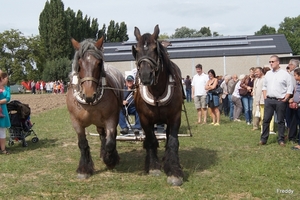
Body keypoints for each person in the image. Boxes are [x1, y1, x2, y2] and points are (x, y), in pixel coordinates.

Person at [259, 55, 293, 146]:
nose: (271, 63)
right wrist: (265, 97)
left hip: (280, 100)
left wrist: (285, 98)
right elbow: (264, 86)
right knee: (266, 120)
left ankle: (281, 139)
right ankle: (263, 139)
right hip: (269, 100)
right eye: (270, 62)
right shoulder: (268, 74)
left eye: (272, 61)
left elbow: (290, 87)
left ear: (278, 62)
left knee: (280, 121)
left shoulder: (285, 74)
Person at [287, 59, 299, 142]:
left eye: (290, 64)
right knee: (292, 118)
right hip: (292, 99)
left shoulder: (292, 75)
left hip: (295, 101)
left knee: (292, 118)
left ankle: (292, 136)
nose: (288, 66)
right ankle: (291, 135)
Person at [0, 71, 11, 154]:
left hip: (2, 111)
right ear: (2, 79)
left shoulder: (7, 89)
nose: (7, 80)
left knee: (2, 130)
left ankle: (3, 149)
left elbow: (7, 99)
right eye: (6, 78)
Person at [290, 68, 300, 150]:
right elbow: (296, 93)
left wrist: (298, 103)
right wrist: (292, 99)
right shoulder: (297, 84)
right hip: (296, 106)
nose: (294, 77)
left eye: (295, 75)